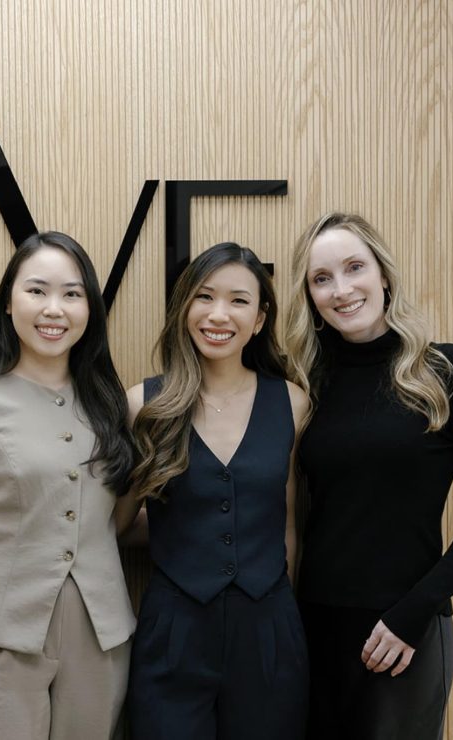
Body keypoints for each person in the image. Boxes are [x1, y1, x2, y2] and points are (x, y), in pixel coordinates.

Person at [0, 231, 136, 740]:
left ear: (90, 309)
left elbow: (116, 520)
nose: (53, 309)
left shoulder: (111, 406)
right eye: (36, 290)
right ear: (8, 303)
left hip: (102, 640)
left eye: (72, 294)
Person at [285, 212, 453, 740]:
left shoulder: (446, 372)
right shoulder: (305, 384)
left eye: (355, 267)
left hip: (405, 630)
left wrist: (415, 612)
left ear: (383, 274)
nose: (342, 289)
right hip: (314, 625)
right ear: (310, 296)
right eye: (322, 278)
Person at [116, 243, 310, 739]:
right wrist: (20, 531)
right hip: (173, 632)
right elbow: (113, 523)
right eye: (204, 296)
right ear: (184, 308)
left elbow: (287, 522)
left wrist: (283, 619)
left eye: (238, 300)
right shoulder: (145, 405)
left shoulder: (292, 402)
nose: (218, 314)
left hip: (268, 631)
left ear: (260, 319)